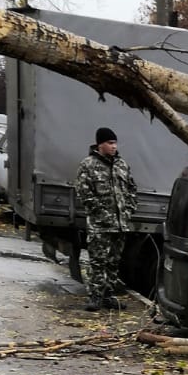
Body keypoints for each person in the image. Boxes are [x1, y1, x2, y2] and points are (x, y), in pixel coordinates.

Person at [74, 127, 136, 312]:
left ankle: (108, 296)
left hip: (120, 225)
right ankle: (95, 296)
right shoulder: (88, 164)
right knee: (97, 261)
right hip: (100, 225)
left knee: (113, 262)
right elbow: (84, 192)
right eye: (110, 143)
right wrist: (100, 212)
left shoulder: (121, 165)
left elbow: (132, 189)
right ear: (100, 144)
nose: (114, 146)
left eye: (115, 143)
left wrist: (129, 208)